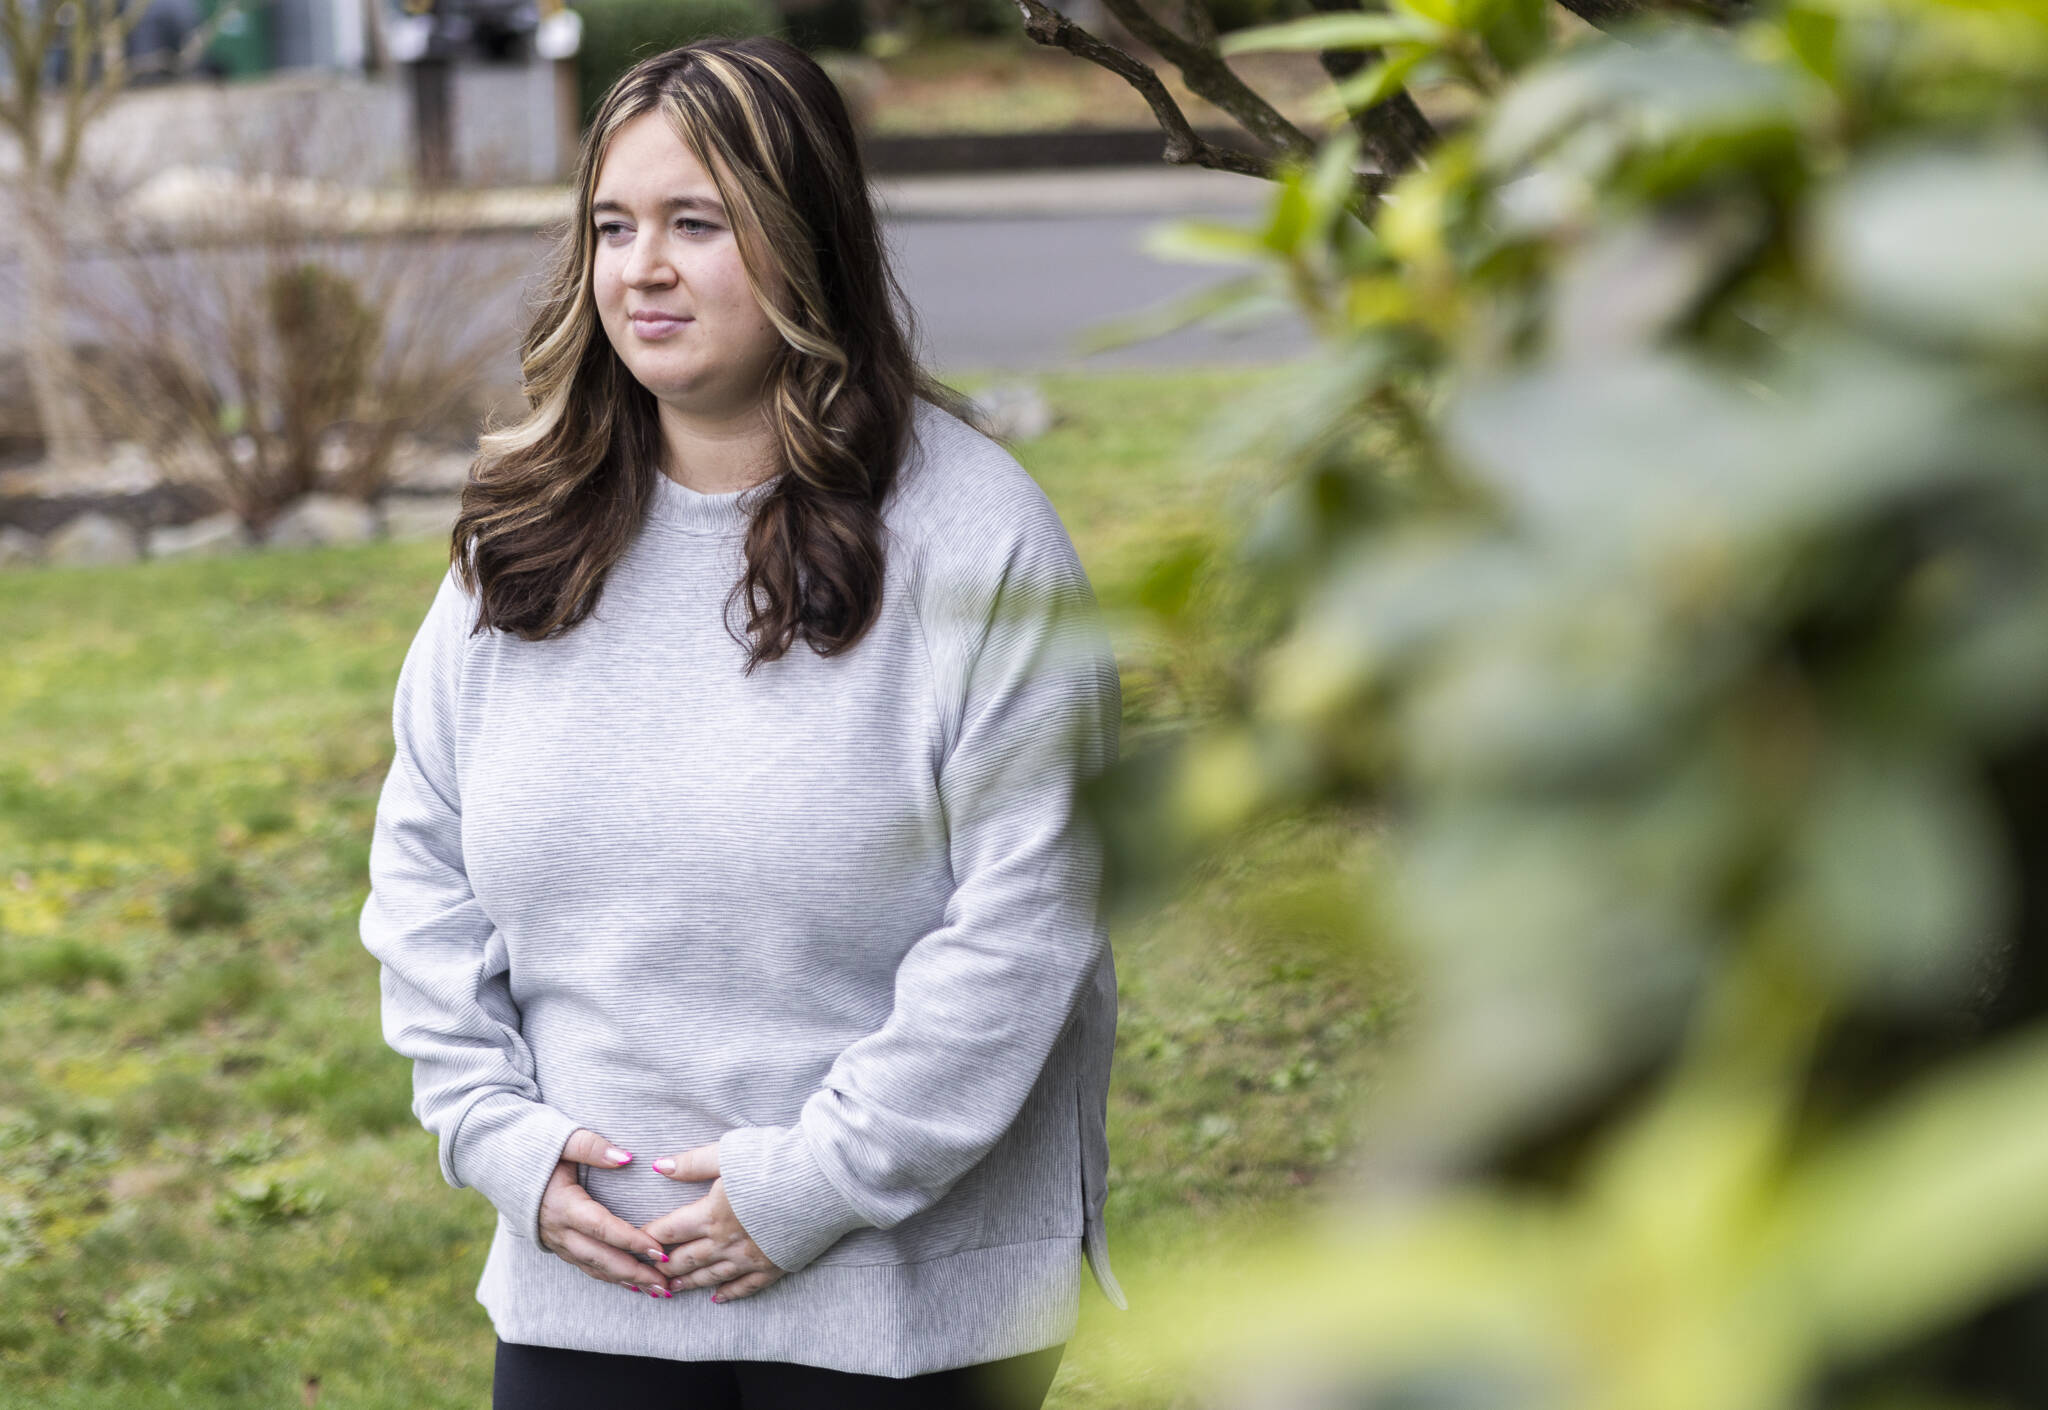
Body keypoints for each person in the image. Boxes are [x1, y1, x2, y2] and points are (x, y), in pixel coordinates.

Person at [356, 34, 1126, 1410]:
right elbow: (421, 871)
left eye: (695, 224)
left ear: (803, 238)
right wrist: (494, 1136)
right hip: (593, 1280)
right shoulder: (523, 538)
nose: (641, 268)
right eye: (613, 226)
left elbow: (1031, 916)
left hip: (902, 1304)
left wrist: (818, 1181)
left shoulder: (978, 539)